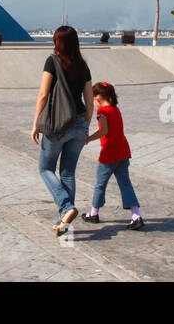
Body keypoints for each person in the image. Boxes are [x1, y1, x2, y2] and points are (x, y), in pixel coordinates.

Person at [31, 25, 93, 234]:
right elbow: (90, 102)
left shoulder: (52, 61)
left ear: (58, 42)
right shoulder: (83, 66)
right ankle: (63, 221)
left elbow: (43, 94)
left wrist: (36, 124)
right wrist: (86, 127)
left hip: (57, 125)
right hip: (78, 124)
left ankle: (66, 207)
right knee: (68, 173)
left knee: (45, 168)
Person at [81, 81, 144, 229]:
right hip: (123, 152)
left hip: (109, 154)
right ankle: (136, 215)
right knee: (125, 184)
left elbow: (104, 130)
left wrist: (87, 139)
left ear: (97, 98)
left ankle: (94, 213)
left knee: (100, 185)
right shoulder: (115, 109)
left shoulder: (102, 112)